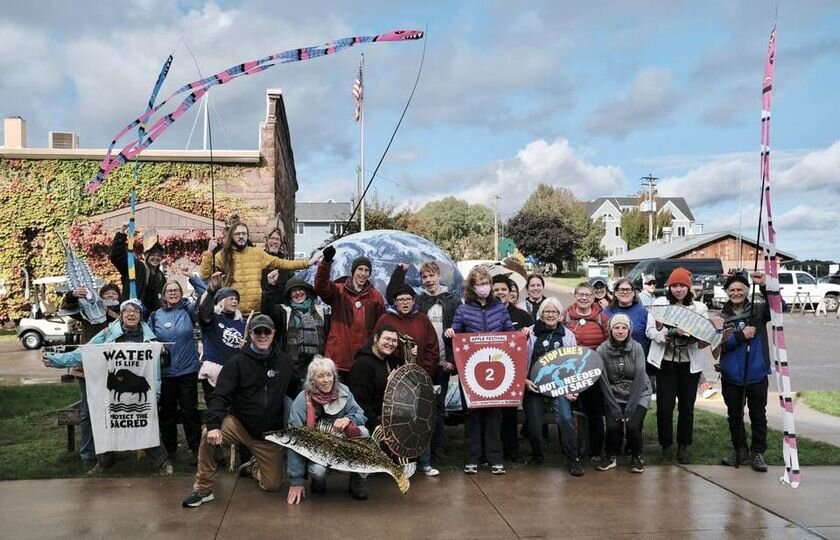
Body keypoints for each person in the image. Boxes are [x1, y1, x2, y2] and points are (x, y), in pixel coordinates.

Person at [43, 299, 173, 475]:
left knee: (146, 426)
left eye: (135, 310)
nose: (131, 313)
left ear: (141, 315)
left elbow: (155, 371)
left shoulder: (150, 340)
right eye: (127, 310)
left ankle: (162, 462)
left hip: (140, 393)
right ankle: (104, 463)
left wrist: (155, 393)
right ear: (121, 314)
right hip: (111, 393)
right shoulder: (107, 334)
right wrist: (56, 360)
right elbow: (85, 353)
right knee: (107, 426)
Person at [182, 314, 299, 508]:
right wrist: (213, 426)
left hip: (270, 434)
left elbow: (298, 392)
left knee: (272, 485)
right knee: (207, 436)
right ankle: (203, 489)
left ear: (273, 334)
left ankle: (254, 466)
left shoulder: (285, 362)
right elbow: (220, 396)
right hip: (239, 425)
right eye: (257, 331)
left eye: (266, 331)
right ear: (250, 334)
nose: (262, 335)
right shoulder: (236, 362)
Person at [387, 261, 462, 462]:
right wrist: (400, 271)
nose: (428, 280)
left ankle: (437, 448)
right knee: (418, 409)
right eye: (424, 277)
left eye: (431, 276)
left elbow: (460, 331)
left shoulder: (452, 301)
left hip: (443, 364)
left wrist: (453, 360)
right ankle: (419, 450)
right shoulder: (418, 301)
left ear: (439, 276)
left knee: (437, 407)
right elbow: (394, 293)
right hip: (421, 365)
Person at [445, 266, 514, 475]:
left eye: (485, 283)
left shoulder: (500, 309)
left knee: (494, 415)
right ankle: (473, 458)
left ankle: (495, 458)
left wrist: (521, 336)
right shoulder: (463, 310)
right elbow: (455, 333)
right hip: (471, 372)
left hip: (496, 369)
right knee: (473, 415)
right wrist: (450, 333)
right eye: (478, 284)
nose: (483, 287)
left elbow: (510, 334)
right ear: (471, 287)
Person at [647, 267, 715, 464]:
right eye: (675, 285)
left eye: (682, 286)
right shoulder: (659, 304)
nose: (678, 289)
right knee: (664, 408)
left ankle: (683, 446)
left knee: (687, 408)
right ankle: (666, 445)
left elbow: (704, 333)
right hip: (666, 363)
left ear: (688, 288)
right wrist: (665, 335)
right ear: (669, 287)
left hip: (689, 365)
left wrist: (692, 336)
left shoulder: (699, 307)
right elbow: (650, 331)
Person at [287, 356, 370, 503]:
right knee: (318, 472)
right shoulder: (302, 400)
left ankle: (358, 478)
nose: (326, 380)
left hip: (341, 444)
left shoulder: (344, 391)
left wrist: (349, 419)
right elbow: (295, 438)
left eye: (329, 374)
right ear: (312, 380)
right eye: (320, 376)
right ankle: (318, 480)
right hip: (317, 449)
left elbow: (361, 415)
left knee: (363, 432)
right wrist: (296, 481)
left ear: (334, 376)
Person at [59, 282, 121, 468]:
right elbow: (67, 308)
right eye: (106, 295)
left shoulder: (122, 317)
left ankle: (108, 451)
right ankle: (88, 454)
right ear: (99, 297)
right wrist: (72, 295)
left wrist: (110, 312)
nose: (110, 297)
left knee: (110, 412)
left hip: (112, 372)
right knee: (87, 413)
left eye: (114, 295)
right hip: (87, 371)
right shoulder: (88, 313)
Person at [198, 221, 317, 315]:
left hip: (256, 313)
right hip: (233, 313)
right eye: (237, 234)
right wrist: (209, 252)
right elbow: (204, 275)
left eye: (244, 234)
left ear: (247, 236)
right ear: (231, 236)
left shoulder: (257, 253)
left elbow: (282, 263)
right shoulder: (223, 255)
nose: (241, 236)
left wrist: (308, 263)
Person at [718, 271, 771, 472]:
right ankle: (740, 450)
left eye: (740, 289)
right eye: (732, 290)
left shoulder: (757, 312)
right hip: (732, 376)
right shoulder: (721, 317)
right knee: (734, 416)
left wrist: (765, 286)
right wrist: (740, 336)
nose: (736, 293)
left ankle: (758, 453)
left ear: (747, 291)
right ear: (727, 292)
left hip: (756, 374)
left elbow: (778, 308)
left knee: (758, 415)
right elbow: (718, 345)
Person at [523, 298, 581, 475]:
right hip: (534, 386)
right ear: (541, 313)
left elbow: (574, 363)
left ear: (559, 315)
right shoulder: (530, 333)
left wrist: (572, 388)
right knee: (533, 422)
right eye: (547, 311)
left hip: (559, 386)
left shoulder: (568, 335)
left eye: (554, 311)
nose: (550, 315)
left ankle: (573, 459)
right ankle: (537, 455)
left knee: (565, 417)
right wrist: (525, 381)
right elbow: (522, 359)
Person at [150, 280, 202, 463]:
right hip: (166, 372)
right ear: (163, 295)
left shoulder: (189, 311)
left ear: (181, 293)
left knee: (190, 411)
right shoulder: (156, 316)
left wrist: (194, 280)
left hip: (187, 370)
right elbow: (148, 337)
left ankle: (196, 449)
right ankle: (170, 450)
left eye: (176, 290)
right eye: (169, 291)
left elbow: (204, 297)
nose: (172, 293)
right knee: (168, 413)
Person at [314, 245, 385, 377]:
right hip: (338, 358)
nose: (363, 274)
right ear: (353, 271)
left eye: (366, 270)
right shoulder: (339, 291)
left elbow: (379, 327)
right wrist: (326, 262)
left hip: (362, 359)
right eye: (360, 269)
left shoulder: (375, 297)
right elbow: (320, 286)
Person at [596, 314, 652, 473]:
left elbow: (640, 377)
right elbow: (604, 381)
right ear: (610, 329)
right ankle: (610, 456)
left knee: (633, 426)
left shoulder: (637, 348)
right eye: (616, 327)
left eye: (624, 328)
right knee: (613, 426)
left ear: (629, 330)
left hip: (639, 393)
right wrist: (614, 408)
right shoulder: (602, 349)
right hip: (614, 394)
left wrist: (630, 408)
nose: (620, 331)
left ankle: (637, 457)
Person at [564, 282, 609, 463]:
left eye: (587, 295)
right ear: (575, 295)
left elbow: (607, 341)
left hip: (593, 370)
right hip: (571, 370)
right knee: (572, 411)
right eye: (580, 294)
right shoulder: (566, 315)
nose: (583, 298)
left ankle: (596, 450)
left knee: (595, 412)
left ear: (593, 297)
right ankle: (574, 449)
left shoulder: (601, 317)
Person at [492, 274, 533, 462]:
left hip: (513, 371)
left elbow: (533, 341)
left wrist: (528, 332)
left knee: (509, 413)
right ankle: (494, 451)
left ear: (511, 294)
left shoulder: (523, 316)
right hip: (491, 369)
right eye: (496, 289)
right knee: (493, 414)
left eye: (503, 290)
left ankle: (512, 451)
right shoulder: (487, 314)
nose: (500, 293)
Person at [263, 276, 328, 382]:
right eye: (293, 291)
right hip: (292, 368)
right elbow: (267, 310)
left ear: (307, 292)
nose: (298, 293)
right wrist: (271, 287)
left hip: (318, 365)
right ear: (289, 295)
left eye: (300, 289)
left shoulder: (322, 311)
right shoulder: (284, 312)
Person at [606, 277, 662, 395]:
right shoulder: (606, 312)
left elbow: (651, 337)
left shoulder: (644, 313)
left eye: (628, 290)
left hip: (638, 364)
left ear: (633, 293)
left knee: (637, 401)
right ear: (615, 293)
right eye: (621, 290)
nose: (624, 292)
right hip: (613, 364)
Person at [197, 273, 245, 405]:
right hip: (214, 373)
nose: (235, 301)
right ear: (222, 301)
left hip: (235, 373)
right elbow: (203, 311)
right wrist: (211, 289)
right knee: (216, 410)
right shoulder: (212, 319)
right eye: (231, 298)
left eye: (236, 299)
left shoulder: (243, 322)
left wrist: (246, 346)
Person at [346, 325, 404, 431]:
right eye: (387, 339)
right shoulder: (362, 364)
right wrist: (377, 426)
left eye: (394, 341)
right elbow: (360, 401)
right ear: (376, 338)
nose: (390, 344)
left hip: (390, 421)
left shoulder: (391, 361)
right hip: (371, 425)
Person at [110, 226, 166, 312]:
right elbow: (116, 256)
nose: (156, 258)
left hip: (153, 317)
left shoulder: (160, 276)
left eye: (158, 255)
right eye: (153, 255)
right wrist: (121, 233)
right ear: (146, 256)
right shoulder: (137, 267)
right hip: (133, 312)